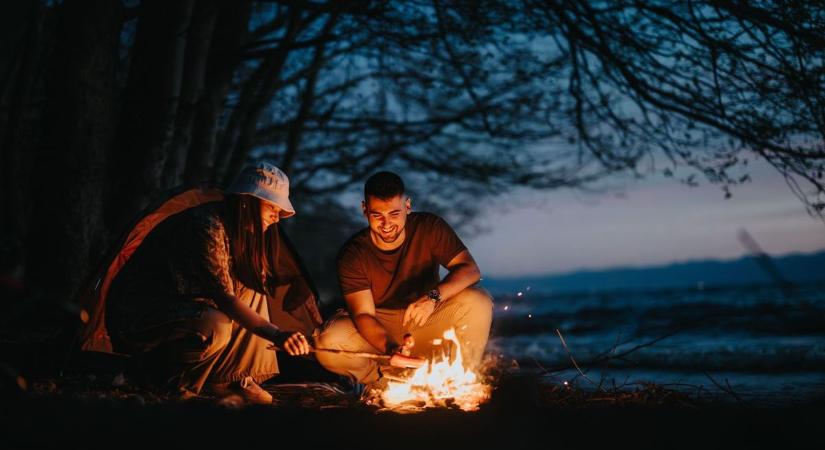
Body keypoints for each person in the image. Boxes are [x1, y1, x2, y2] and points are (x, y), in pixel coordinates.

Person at [104, 161, 312, 404]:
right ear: (247, 200)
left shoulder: (238, 232)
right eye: (272, 207)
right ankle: (162, 380)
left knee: (253, 292)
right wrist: (277, 335)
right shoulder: (206, 224)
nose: (277, 218)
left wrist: (296, 282)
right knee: (217, 324)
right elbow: (225, 298)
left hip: (183, 309)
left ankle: (232, 378)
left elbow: (247, 285)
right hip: (140, 314)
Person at [315, 171, 493, 385]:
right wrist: (390, 348)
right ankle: (380, 383)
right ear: (364, 210)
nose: (386, 224)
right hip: (378, 327)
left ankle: (459, 382)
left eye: (394, 213)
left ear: (408, 206)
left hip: (426, 318)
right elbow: (363, 314)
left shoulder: (430, 227)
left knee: (478, 301)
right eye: (377, 215)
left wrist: (432, 297)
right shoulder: (353, 254)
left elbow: (470, 269)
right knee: (327, 341)